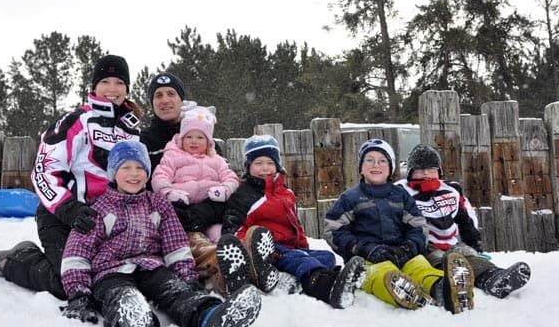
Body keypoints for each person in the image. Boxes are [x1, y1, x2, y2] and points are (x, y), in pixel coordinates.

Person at [59, 140, 261, 327]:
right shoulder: (99, 208)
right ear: (113, 173)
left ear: (147, 173)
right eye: (126, 167)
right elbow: (77, 251)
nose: (134, 174)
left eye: (140, 168)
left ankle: (208, 316)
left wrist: (187, 278)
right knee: (119, 295)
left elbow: (176, 245)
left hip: (151, 267)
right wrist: (78, 293)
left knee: (174, 290)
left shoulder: (158, 204)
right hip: (109, 272)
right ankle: (135, 321)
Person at [0, 54, 141, 300]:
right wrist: (68, 209)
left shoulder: (132, 130)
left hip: (106, 224)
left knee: (109, 278)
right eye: (106, 81)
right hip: (63, 217)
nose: (112, 89)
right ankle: (13, 262)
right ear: (94, 86)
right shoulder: (75, 121)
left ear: (127, 88)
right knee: (71, 283)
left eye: (119, 82)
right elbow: (44, 170)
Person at [324, 138, 476, 314]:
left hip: (401, 253)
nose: (376, 165)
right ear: (360, 167)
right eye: (369, 160)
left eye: (382, 161)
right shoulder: (350, 198)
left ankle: (444, 289)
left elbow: (418, 226)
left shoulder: (401, 196)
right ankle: (406, 293)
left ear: (391, 168)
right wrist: (361, 248)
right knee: (379, 274)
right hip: (368, 257)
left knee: (421, 267)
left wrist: (409, 246)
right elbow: (334, 229)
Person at [219, 135, 366, 309]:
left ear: (277, 165)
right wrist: (254, 250)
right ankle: (326, 287)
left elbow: (295, 225)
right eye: (258, 163)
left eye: (269, 163)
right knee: (299, 259)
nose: (264, 168)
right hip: (268, 251)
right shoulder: (244, 195)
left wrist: (303, 247)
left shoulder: (286, 193)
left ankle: (302, 278)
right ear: (248, 167)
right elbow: (233, 230)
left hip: (290, 247)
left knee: (326, 257)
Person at [396, 143, 531, 298]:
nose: (426, 174)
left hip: (451, 243)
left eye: (431, 169)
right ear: (411, 172)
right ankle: (451, 282)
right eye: (420, 170)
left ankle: (494, 278)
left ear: (439, 171)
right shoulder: (401, 191)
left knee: (467, 255)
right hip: (424, 245)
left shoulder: (451, 190)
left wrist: (475, 244)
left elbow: (465, 219)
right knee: (440, 259)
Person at [141, 74, 230, 295]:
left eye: (171, 94)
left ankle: (242, 263)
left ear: (181, 100)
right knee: (193, 244)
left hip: (209, 216)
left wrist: (205, 212)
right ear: (152, 103)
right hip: (168, 220)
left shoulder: (203, 137)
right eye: (158, 95)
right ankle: (220, 270)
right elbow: (139, 185)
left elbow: (225, 183)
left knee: (226, 237)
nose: (165, 100)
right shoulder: (143, 142)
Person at [151, 105, 238, 243]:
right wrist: (169, 192)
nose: (194, 141)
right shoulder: (172, 156)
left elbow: (231, 178)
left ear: (208, 142)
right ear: (181, 139)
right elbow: (160, 176)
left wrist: (224, 190)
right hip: (182, 206)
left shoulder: (216, 159)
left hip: (210, 207)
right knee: (186, 236)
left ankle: (226, 253)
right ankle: (196, 252)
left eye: (200, 137)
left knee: (219, 233)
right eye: (189, 136)